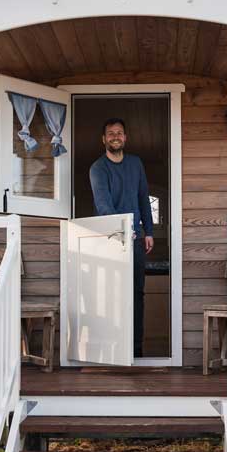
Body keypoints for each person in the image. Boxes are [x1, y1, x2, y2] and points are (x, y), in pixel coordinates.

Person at [89, 118, 154, 357]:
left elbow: (143, 199)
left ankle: (135, 350)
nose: (115, 136)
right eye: (110, 133)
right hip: (111, 239)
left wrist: (149, 232)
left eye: (119, 133)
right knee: (111, 294)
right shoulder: (98, 168)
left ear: (125, 138)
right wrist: (124, 229)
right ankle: (113, 349)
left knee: (136, 294)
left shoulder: (136, 164)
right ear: (104, 139)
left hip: (136, 240)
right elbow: (103, 206)